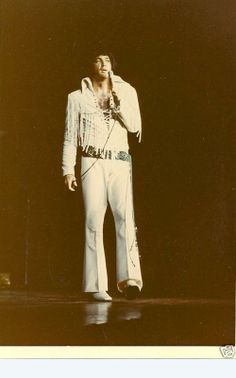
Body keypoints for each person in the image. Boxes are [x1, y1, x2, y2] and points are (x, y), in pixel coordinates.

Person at [62, 51, 143, 301]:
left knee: (124, 217)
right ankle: (97, 285)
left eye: (107, 60)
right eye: (98, 59)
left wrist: (117, 104)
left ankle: (130, 279)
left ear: (113, 65)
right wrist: (68, 169)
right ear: (90, 65)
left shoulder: (127, 91)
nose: (103, 64)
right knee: (93, 220)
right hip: (91, 160)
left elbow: (134, 126)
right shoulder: (76, 98)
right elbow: (69, 135)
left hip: (119, 160)